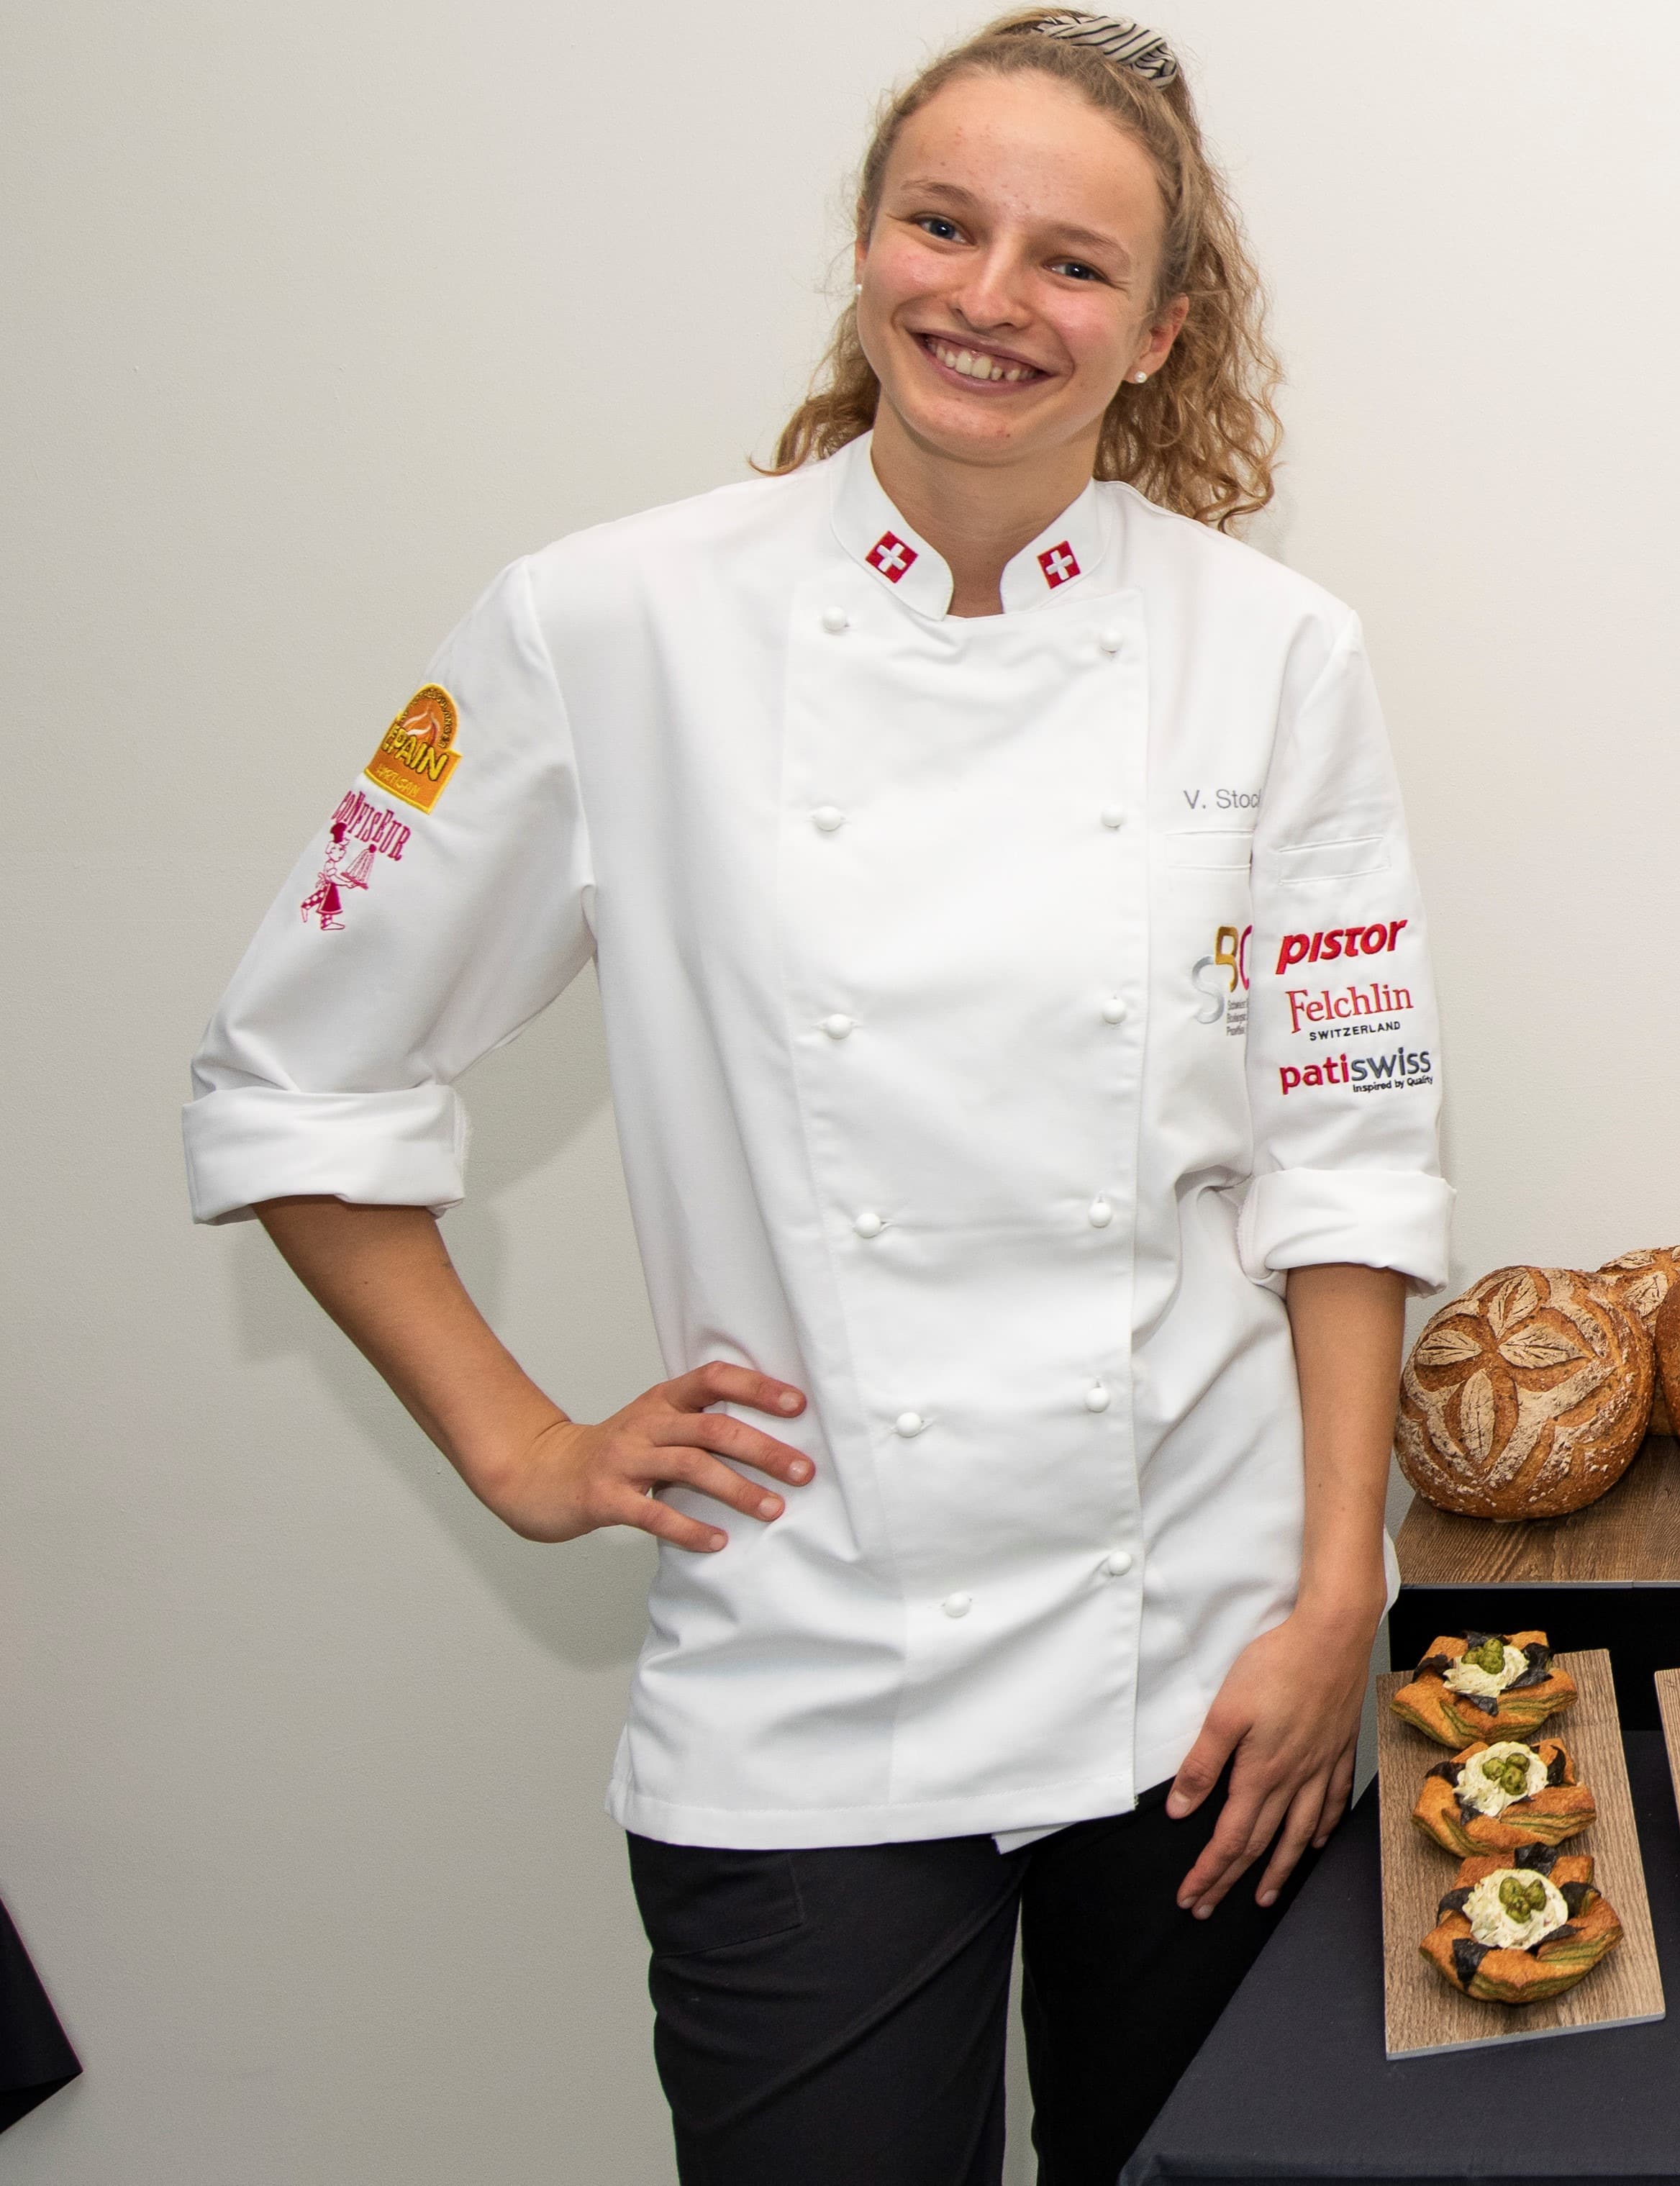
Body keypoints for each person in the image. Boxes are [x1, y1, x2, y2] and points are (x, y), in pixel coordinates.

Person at [179, 14, 1441, 2180]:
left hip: (1210, 1656)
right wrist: (526, 1445)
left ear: (1158, 329)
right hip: (806, 1665)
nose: (986, 297)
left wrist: (1337, 1600)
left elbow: (1345, 1153)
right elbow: (300, 1070)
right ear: (866, 248)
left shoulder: (1272, 650)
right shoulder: (607, 625)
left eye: (1069, 262)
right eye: (942, 225)